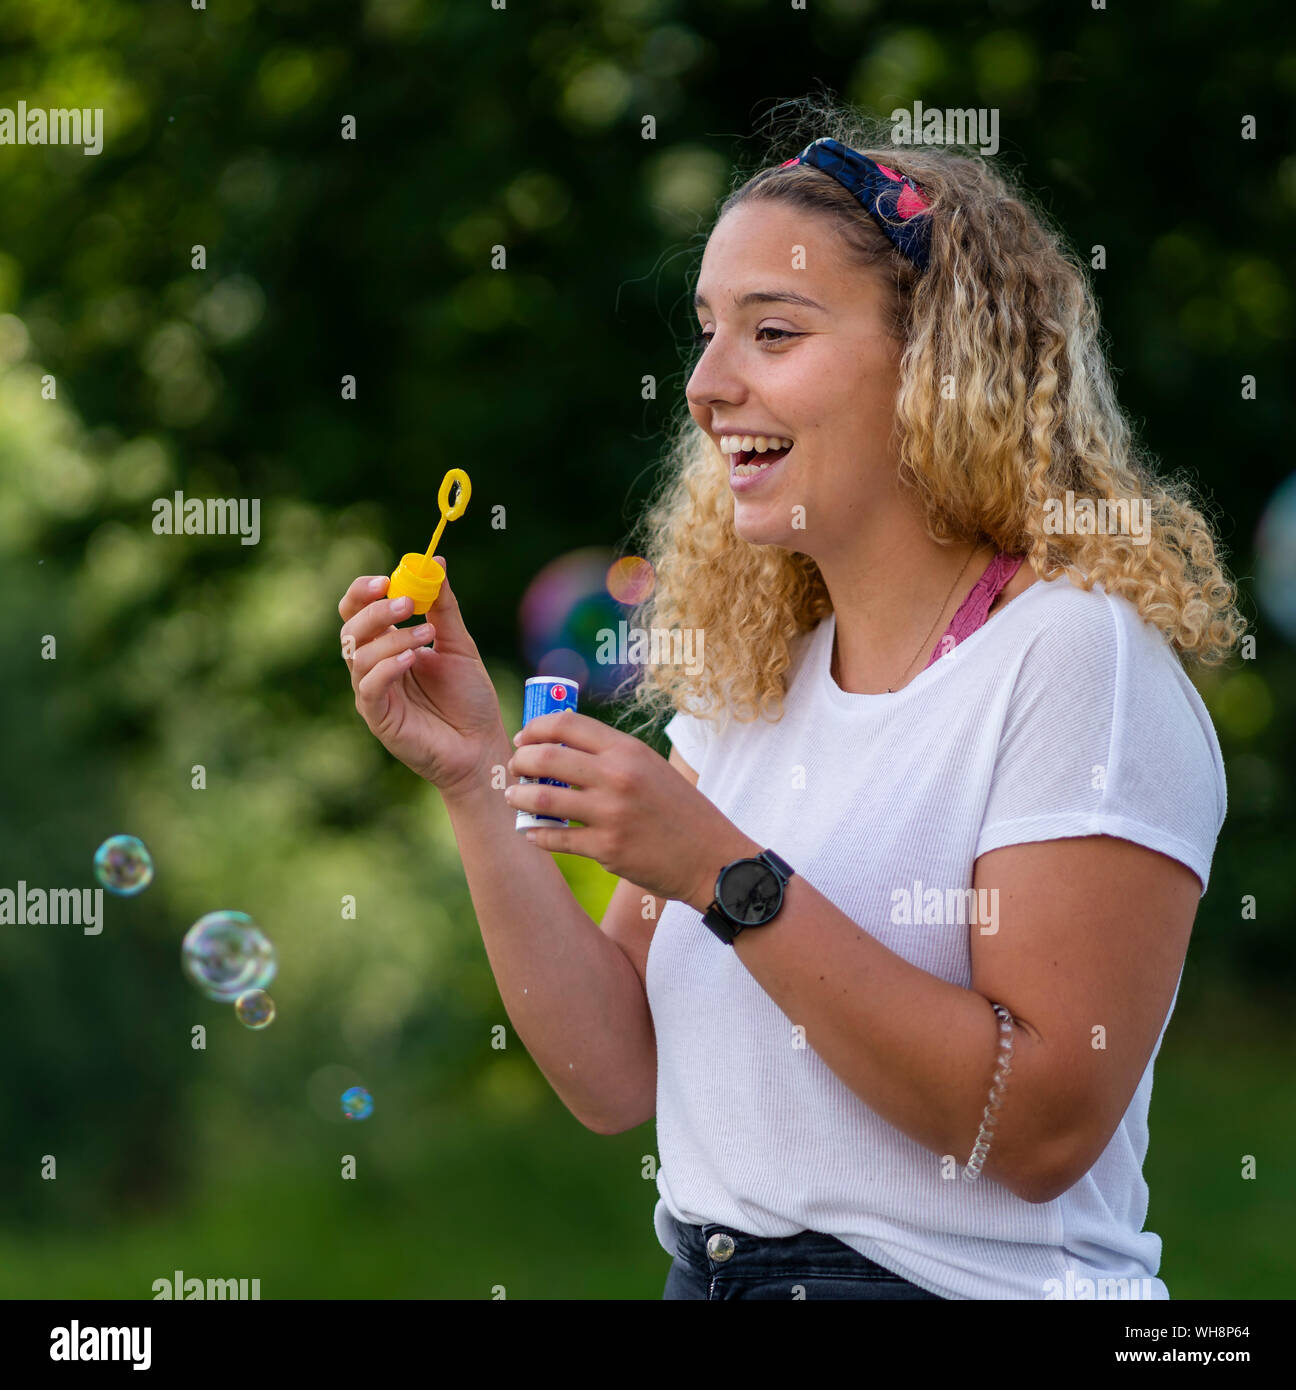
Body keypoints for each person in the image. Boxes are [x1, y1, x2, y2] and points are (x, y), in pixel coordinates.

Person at [337, 103, 1245, 1300]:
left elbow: (1036, 1131)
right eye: (708, 333)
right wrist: (475, 777)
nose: (708, 386)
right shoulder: (757, 677)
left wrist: (724, 873)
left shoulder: (1073, 661)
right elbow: (614, 1075)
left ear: (939, 366)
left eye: (771, 331)